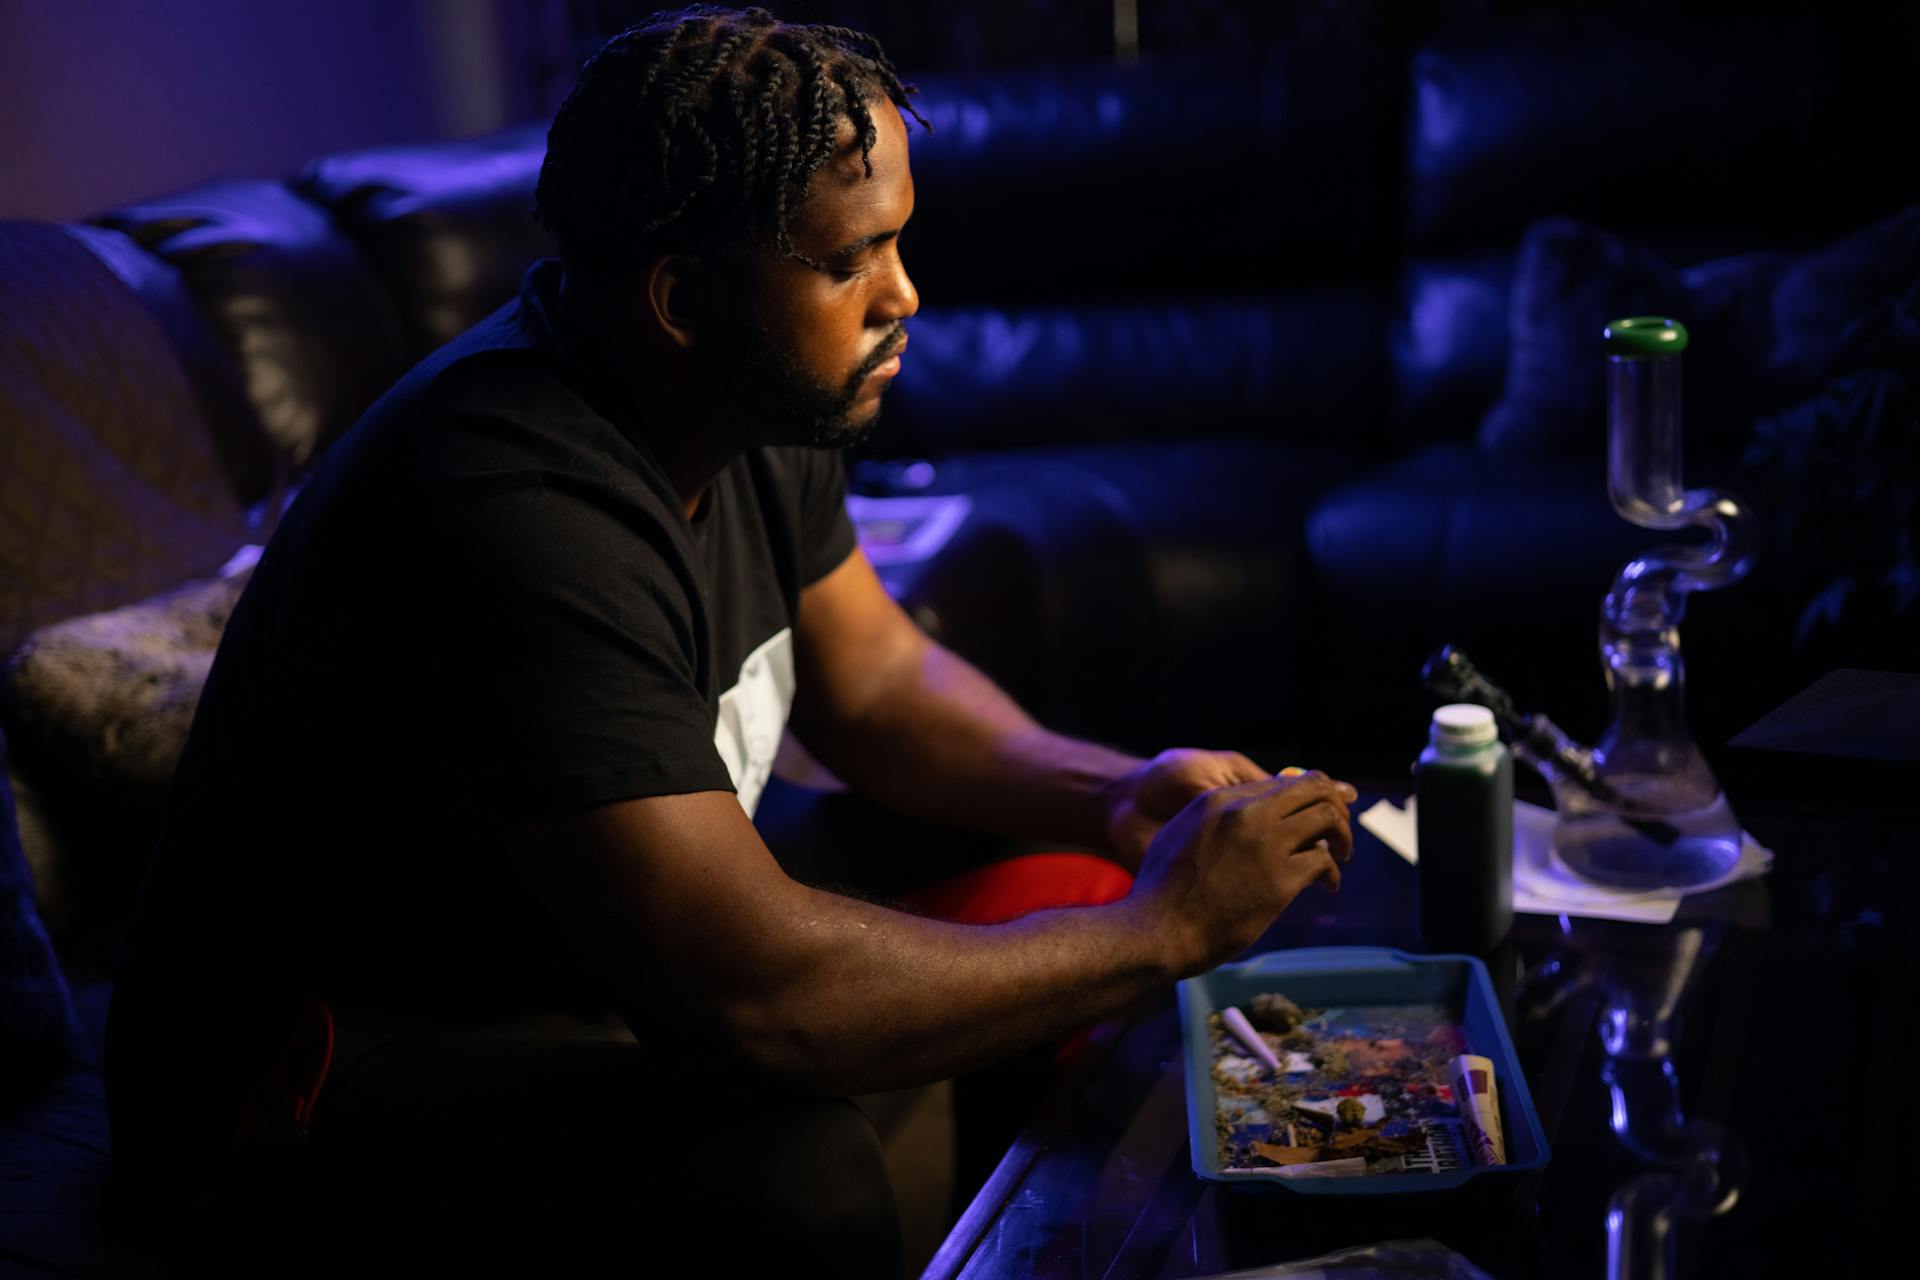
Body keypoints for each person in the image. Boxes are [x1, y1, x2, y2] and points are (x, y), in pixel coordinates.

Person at [107, 6, 1355, 1274]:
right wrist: (1168, 924)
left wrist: (1117, 792)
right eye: (850, 261)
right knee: (795, 1171)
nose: (904, 295)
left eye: (901, 243)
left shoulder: (738, 399)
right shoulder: (509, 506)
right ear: (683, 298)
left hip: (558, 952)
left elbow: (877, 683)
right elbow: (755, 1003)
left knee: (1035, 870)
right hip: (308, 1089)